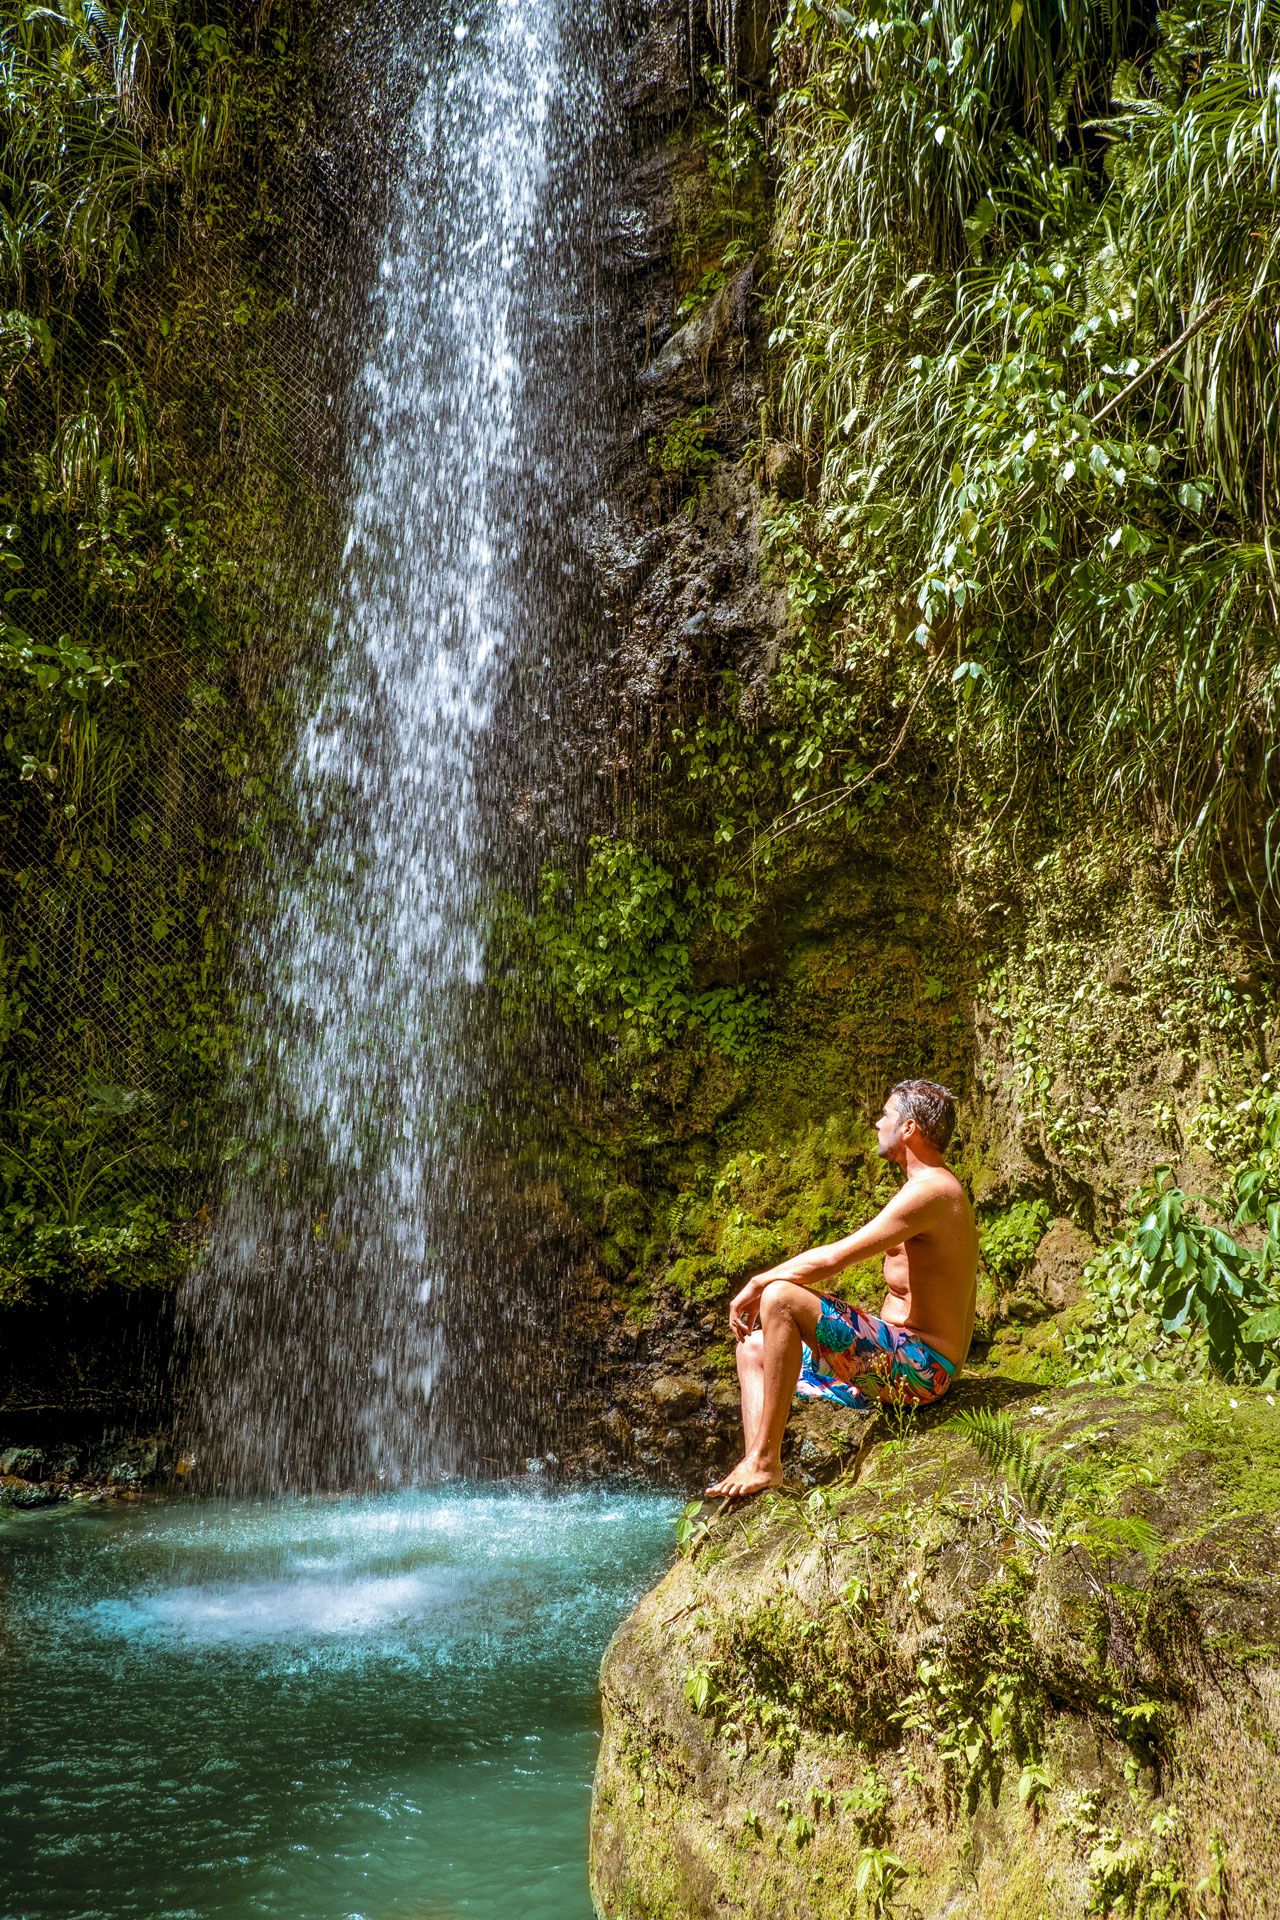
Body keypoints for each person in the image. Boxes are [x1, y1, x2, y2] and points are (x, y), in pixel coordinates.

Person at [706, 1080, 978, 1500]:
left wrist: (759, 1282)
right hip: (894, 1361)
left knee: (779, 1296)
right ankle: (758, 1470)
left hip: (925, 1371)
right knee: (753, 1350)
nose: (876, 1122)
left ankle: (764, 1463)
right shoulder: (921, 1189)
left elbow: (836, 1258)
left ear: (908, 1128)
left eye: (885, 1115)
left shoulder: (933, 1191)